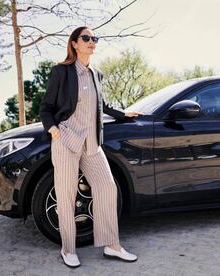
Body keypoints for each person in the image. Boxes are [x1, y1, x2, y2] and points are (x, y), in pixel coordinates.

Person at [39, 26, 142, 268]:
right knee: (65, 196)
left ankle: (112, 245)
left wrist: (123, 114)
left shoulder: (96, 74)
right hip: (66, 140)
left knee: (107, 187)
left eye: (94, 38)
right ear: (74, 43)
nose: (91, 42)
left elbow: (101, 106)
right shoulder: (61, 72)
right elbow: (46, 107)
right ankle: (68, 249)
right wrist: (54, 130)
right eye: (86, 38)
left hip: (92, 143)